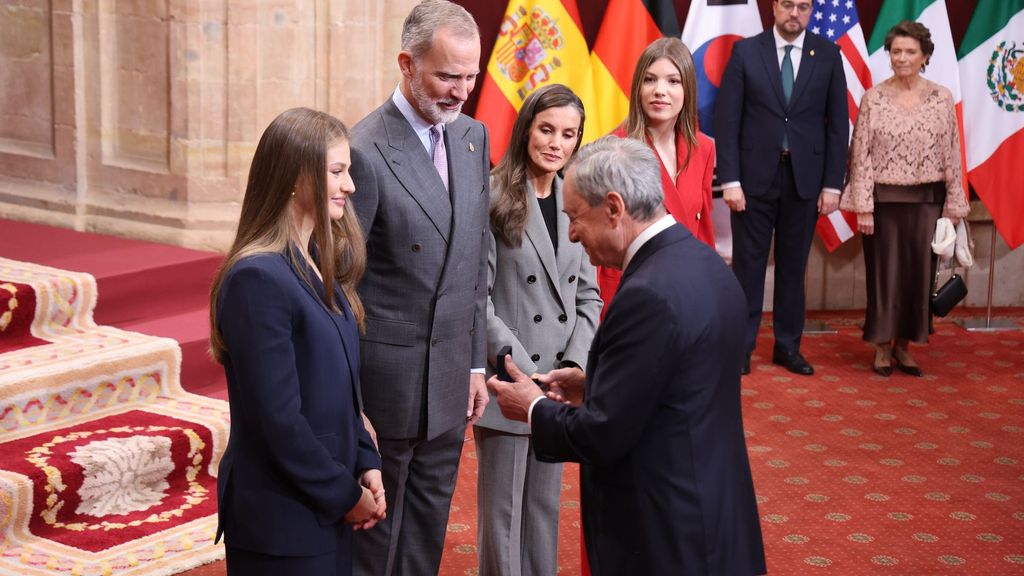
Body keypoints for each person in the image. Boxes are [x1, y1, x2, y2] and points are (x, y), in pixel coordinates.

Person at [487, 136, 767, 575]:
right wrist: (595, 384)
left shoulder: (645, 296)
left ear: (614, 208)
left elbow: (602, 435)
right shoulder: (705, 264)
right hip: (714, 509)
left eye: (576, 217)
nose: (573, 233)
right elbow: (674, 383)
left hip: (664, 532)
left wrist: (532, 407)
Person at [209, 107, 386, 575]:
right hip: (282, 517)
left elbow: (345, 392)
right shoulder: (256, 278)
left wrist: (366, 462)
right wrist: (345, 495)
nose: (350, 185)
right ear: (293, 177)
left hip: (322, 503)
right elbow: (277, 420)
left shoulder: (315, 263)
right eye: (337, 171)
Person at [347, 1, 490, 573]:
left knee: (428, 525)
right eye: (446, 76)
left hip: (454, 378)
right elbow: (341, 287)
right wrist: (349, 402)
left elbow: (476, 263)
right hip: (388, 385)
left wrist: (476, 365)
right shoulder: (363, 149)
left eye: (471, 76)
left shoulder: (474, 138)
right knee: (376, 537)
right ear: (407, 65)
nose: (461, 91)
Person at [476, 84, 602, 576]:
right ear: (526, 127)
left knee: (544, 512)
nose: (556, 143)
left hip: (559, 385)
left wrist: (573, 366)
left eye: (568, 134)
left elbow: (589, 295)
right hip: (511, 377)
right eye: (547, 129)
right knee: (504, 516)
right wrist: (525, 372)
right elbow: (477, 299)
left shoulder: (578, 193)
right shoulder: (492, 194)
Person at [715, 0, 849, 376]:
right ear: (774, 7)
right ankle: (740, 348)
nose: (795, 13)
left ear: (810, 11)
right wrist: (731, 180)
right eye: (788, 4)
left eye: (803, 6)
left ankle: (788, 347)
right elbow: (728, 120)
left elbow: (839, 126)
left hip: (805, 180)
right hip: (753, 180)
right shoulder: (745, 52)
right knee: (748, 269)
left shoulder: (828, 54)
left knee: (794, 268)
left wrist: (831, 184)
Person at [840, 21, 969, 377]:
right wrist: (863, 205)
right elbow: (860, 155)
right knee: (884, 278)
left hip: (928, 203)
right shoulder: (874, 98)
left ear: (925, 56)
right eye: (896, 51)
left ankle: (905, 347)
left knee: (917, 278)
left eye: (910, 52)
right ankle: (881, 347)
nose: (902, 58)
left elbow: (953, 153)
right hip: (883, 206)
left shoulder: (942, 97)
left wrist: (954, 206)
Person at [597, 37, 716, 315]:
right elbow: (597, 247)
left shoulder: (704, 149)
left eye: (673, 81)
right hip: (629, 295)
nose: (660, 91)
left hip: (687, 293)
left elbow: (704, 233)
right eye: (650, 80)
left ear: (688, 88)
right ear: (638, 87)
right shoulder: (612, 149)